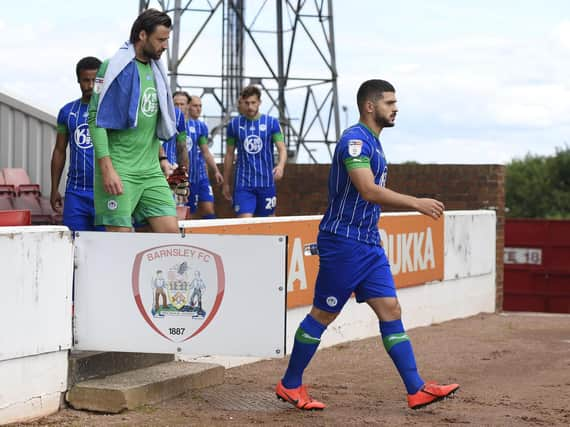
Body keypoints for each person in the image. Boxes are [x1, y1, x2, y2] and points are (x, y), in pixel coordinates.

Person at [275, 79, 459, 410]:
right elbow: (368, 190)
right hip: (343, 241)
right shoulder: (354, 141)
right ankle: (290, 384)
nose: (395, 108)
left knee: (391, 309)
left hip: (368, 243)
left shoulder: (374, 143)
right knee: (323, 314)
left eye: (395, 102)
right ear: (370, 106)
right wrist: (416, 202)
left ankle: (416, 388)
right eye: (389, 103)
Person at [88, 8, 188, 232]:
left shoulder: (157, 71)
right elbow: (96, 118)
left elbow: (152, 121)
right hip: (120, 169)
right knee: (119, 244)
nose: (165, 46)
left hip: (151, 171)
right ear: (142, 35)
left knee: (171, 235)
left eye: (167, 40)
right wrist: (107, 169)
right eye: (160, 40)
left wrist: (162, 158)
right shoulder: (113, 66)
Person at [50, 56, 103, 231]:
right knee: (75, 248)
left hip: (106, 191)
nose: (90, 85)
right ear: (78, 80)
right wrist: (54, 188)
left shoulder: (111, 111)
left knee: (108, 248)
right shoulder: (67, 112)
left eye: (94, 80)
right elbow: (59, 151)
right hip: (76, 192)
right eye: (85, 80)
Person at [222, 85, 287, 217]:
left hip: (266, 182)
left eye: (253, 103)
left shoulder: (271, 123)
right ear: (242, 103)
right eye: (247, 103)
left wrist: (280, 166)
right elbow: (229, 155)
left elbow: (282, 149)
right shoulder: (234, 125)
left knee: (268, 226)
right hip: (243, 184)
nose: (250, 107)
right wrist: (226, 183)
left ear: (259, 103)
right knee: (245, 223)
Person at [173, 91, 223, 219]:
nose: (179, 108)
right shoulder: (169, 125)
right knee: (188, 214)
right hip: (179, 178)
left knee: (209, 209)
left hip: (198, 176)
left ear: (187, 105)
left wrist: (216, 171)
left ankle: (212, 238)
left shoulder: (199, 126)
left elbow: (205, 152)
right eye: (175, 104)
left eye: (181, 104)